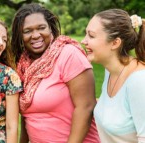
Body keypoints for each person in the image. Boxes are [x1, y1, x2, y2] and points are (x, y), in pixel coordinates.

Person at [11, 3, 100, 143]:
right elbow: (28, 118)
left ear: (51, 28)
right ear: (20, 35)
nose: (35, 35)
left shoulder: (68, 54)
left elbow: (86, 107)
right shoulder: (23, 66)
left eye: (41, 28)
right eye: (27, 31)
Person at [81, 9, 145, 142]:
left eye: (91, 36)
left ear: (115, 43)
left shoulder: (139, 81)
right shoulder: (110, 71)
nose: (83, 41)